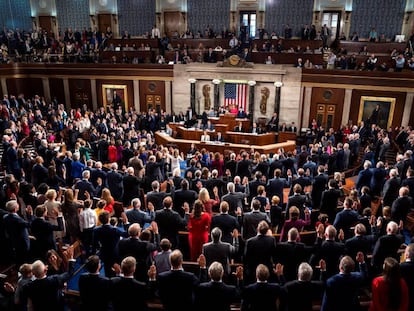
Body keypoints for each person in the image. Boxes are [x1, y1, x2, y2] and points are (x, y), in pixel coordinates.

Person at [20, 246, 75, 311]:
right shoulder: (55, 279)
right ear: (45, 270)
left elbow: (21, 299)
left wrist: (11, 292)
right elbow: (70, 273)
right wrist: (71, 258)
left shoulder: (27, 287)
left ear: (33, 273)